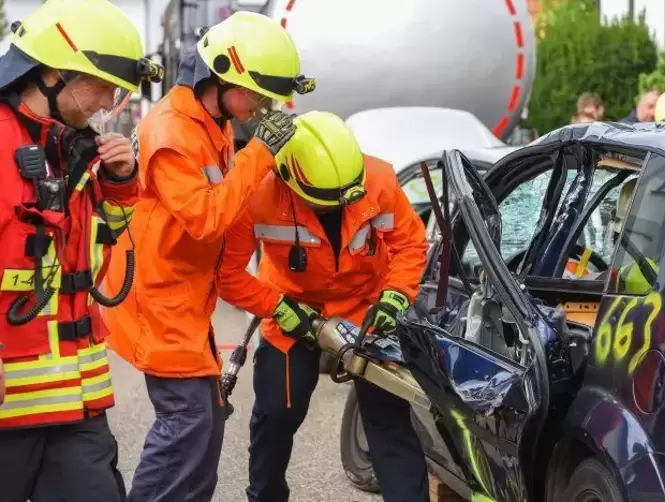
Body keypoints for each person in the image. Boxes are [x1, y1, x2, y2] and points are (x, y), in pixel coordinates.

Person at [100, 11, 314, 502]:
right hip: (161, 298)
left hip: (186, 295)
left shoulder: (211, 119)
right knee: (188, 421)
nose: (261, 104)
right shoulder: (173, 130)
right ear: (219, 77)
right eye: (256, 92)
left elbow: (226, 201)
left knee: (205, 419)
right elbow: (205, 217)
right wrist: (259, 153)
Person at [218, 110, 430, 502]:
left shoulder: (377, 179)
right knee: (277, 415)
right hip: (291, 310)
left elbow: (410, 245)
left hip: (366, 311)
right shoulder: (257, 194)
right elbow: (229, 274)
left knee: (387, 421)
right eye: (325, 204)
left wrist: (396, 296)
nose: (337, 208)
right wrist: (278, 308)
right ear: (290, 181)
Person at [0, 0, 165, 500]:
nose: (108, 101)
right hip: (10, 408)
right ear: (55, 74)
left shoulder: (68, 146)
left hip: (76, 404)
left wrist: (119, 183)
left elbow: (97, 247)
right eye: (103, 85)